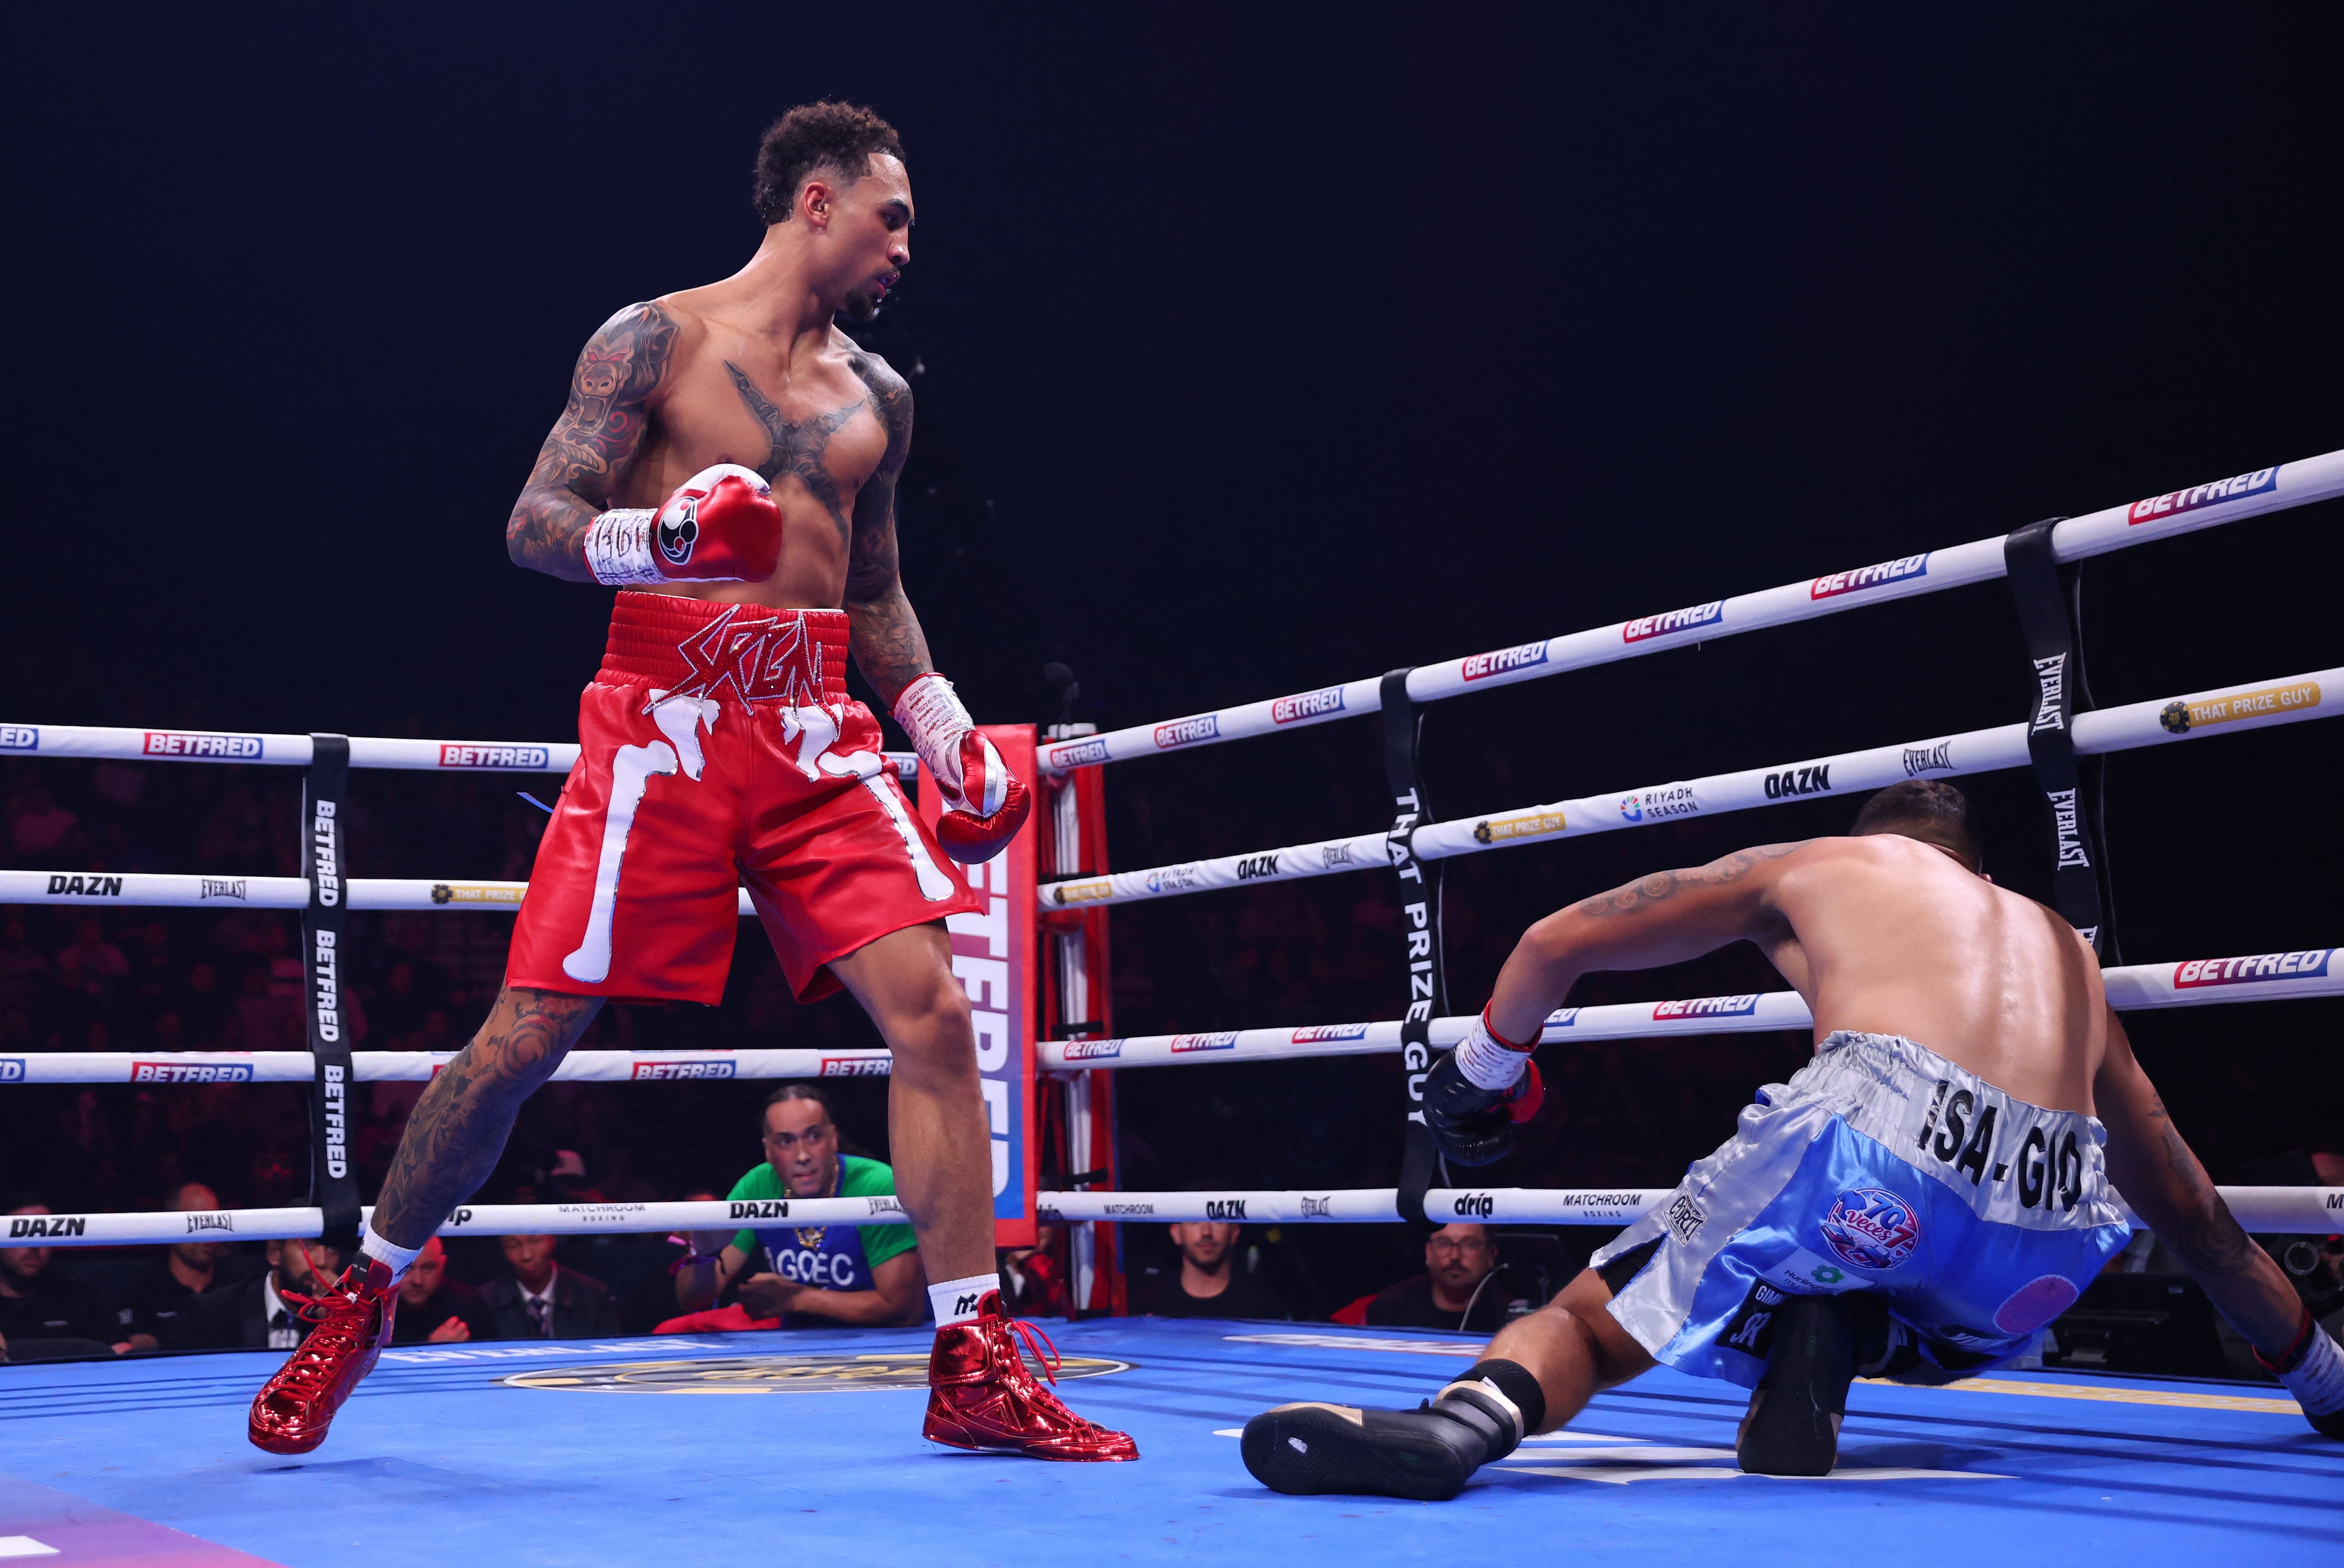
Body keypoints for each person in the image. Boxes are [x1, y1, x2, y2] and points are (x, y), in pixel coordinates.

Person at [245, 100, 1131, 1463]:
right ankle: (359, 1295)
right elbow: (533, 522)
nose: (908, 245)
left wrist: (939, 715)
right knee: (520, 1044)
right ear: (816, 204)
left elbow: (877, 588)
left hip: (811, 726)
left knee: (936, 1010)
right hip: (661, 716)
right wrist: (656, 535)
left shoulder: (879, 398)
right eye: (891, 215)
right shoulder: (652, 338)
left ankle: (967, 1353)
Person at [1243, 780, 2344, 1499]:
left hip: (1875, 1134)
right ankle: (1834, 1329)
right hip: (2049, 1231)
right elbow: (2196, 1215)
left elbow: (1553, 940)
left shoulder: (1821, 865)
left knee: (1588, 1308)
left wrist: (1482, 1072)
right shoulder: (2066, 951)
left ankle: (1461, 1425)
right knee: (1895, 1284)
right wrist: (2324, 1377)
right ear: (1979, 869)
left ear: (1866, 847)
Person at [674, 1085, 925, 1328]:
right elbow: (692, 1299)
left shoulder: (876, 1185)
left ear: (834, 1139)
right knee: (674, 1330)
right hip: (800, 1336)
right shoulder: (759, 1186)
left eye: (814, 1137)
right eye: (785, 1142)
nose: (803, 1155)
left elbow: (903, 1310)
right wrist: (703, 1255)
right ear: (768, 1151)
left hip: (885, 1340)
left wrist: (797, 1298)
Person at [116, 1182, 263, 1351]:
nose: (208, 1234)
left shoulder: (240, 1291)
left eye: (214, 1223)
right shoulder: (140, 1298)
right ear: (170, 1225)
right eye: (198, 1224)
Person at [0, 1195, 124, 1357]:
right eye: (22, 1234)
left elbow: (121, 1348)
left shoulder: (79, 1298)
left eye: (44, 1235)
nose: (34, 1246)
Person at [188, 1238, 345, 1352]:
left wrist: (334, 1322)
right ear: (275, 1253)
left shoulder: (348, 1314)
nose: (323, 1261)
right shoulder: (213, 1312)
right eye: (308, 1245)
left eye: (332, 1249)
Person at [1360, 1224, 1524, 1334]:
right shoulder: (1387, 1309)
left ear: (1491, 1255)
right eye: (1444, 1244)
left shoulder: (1513, 1319)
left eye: (1470, 1244)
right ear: (1428, 1253)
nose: (1455, 1256)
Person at [1131, 1222, 1289, 1320]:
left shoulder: (1266, 1307)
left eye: (1217, 1220)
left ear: (1234, 1232)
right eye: (1195, 1221)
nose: (1206, 1232)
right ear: (1176, 1232)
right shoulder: (1151, 1306)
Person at [482, 1236, 621, 1340]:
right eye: (513, 1245)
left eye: (536, 1241)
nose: (527, 1255)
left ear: (552, 1239)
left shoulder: (593, 1294)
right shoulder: (485, 1300)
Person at [389, 1237, 495, 1346]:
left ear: (442, 1265)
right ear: (389, 1267)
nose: (418, 1281)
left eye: (428, 1268)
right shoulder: (374, 1307)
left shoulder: (468, 1303)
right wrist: (434, 1350)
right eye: (406, 1269)